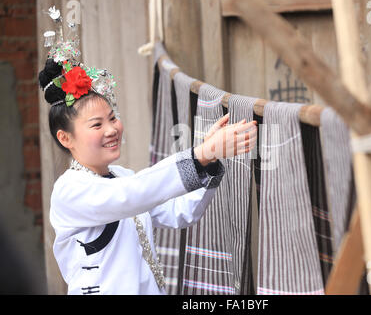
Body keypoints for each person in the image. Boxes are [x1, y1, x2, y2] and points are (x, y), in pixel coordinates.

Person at [39, 57, 257, 295]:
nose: (112, 130)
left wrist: (210, 159)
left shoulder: (123, 177)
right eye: (96, 125)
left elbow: (180, 211)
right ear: (65, 138)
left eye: (112, 118)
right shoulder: (69, 190)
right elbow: (132, 194)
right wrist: (202, 153)